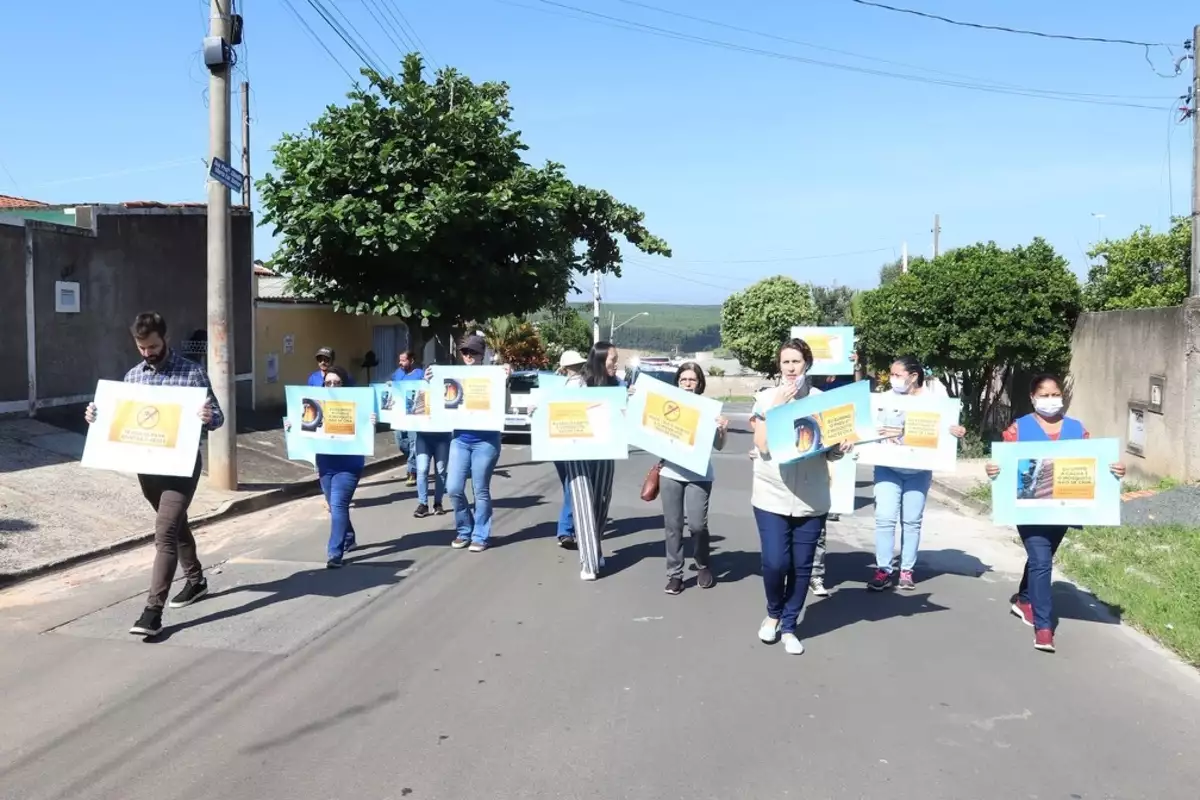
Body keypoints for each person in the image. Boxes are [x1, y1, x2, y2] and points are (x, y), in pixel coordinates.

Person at [84, 312, 224, 638]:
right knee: (176, 527)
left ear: (165, 338)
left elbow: (216, 416)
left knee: (164, 533)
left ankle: (152, 612)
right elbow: (119, 420)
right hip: (148, 470)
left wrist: (207, 415)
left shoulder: (192, 373)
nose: (148, 353)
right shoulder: (132, 377)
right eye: (142, 347)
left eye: (153, 346)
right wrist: (96, 416)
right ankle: (196, 580)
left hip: (182, 467)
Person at [985, 373, 1126, 653]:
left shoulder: (1077, 429)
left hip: (1063, 510)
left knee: (1043, 558)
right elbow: (1005, 465)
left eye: (1055, 394)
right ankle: (1044, 626)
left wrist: (1115, 470)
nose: (1051, 400)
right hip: (1029, 511)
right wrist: (994, 470)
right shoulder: (1019, 429)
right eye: (1044, 395)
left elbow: (1093, 464)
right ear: (1033, 398)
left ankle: (1024, 598)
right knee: (1041, 561)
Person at [749, 338, 852, 655]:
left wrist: (839, 447)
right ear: (779, 366)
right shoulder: (765, 398)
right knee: (775, 562)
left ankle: (790, 626)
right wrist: (777, 405)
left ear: (807, 363)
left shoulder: (822, 401)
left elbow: (830, 452)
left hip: (811, 496)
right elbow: (763, 445)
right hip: (772, 494)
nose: (791, 368)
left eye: (796, 361)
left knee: (802, 565)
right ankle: (773, 614)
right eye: (785, 362)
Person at [868, 355, 966, 592]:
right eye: (891, 374)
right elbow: (870, 426)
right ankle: (883, 569)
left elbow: (947, 431)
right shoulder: (882, 400)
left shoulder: (936, 402)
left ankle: (906, 570)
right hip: (887, 467)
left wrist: (957, 431)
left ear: (913, 376)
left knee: (911, 522)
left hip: (918, 470)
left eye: (897, 375)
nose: (893, 379)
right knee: (884, 519)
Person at [284, 366, 376, 568]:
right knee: (334, 505)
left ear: (344, 384)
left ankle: (335, 553)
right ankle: (349, 537)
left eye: (337, 382)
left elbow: (367, 427)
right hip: (325, 463)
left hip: (349, 464)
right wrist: (290, 426)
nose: (332, 386)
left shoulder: (357, 404)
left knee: (338, 505)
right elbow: (303, 430)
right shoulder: (315, 404)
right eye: (328, 383)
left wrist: (371, 421)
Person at [660, 362, 728, 594]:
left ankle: (703, 564)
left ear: (699, 383)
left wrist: (722, 429)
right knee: (673, 526)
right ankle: (675, 574)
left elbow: (719, 445)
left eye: (692, 380)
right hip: (670, 473)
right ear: (677, 381)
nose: (688, 384)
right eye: (683, 379)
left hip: (699, 473)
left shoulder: (708, 408)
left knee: (698, 525)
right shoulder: (667, 407)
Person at [439, 335, 506, 552]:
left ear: (482, 354)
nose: (468, 356)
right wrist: (430, 379)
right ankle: (464, 529)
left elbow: (506, 404)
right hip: (460, 439)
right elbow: (437, 401)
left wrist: (506, 381)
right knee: (454, 487)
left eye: (473, 352)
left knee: (480, 489)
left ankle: (480, 534)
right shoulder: (452, 376)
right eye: (465, 352)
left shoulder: (494, 376)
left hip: (486, 441)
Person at [561, 342, 622, 580]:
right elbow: (555, 407)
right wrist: (538, 408)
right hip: (577, 452)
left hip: (605, 451)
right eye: (612, 360)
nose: (616, 365)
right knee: (583, 503)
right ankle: (588, 563)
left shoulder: (617, 385)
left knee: (600, 503)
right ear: (600, 360)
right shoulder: (577, 383)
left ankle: (595, 547)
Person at [552, 349, 587, 548]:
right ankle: (567, 529)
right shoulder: (581, 386)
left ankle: (566, 529)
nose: (576, 369)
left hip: (569, 442)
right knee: (571, 485)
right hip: (564, 442)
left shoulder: (560, 386)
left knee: (570, 484)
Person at [410, 384, 449, 518]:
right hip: (423, 437)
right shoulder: (421, 390)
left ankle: (438, 503)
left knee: (441, 471)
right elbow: (411, 409)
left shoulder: (448, 392)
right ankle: (423, 504)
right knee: (422, 470)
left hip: (442, 437)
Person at [392, 350, 424, 488]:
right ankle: (413, 461)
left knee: (413, 443)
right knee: (400, 441)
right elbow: (391, 390)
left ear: (411, 361)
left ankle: (412, 471)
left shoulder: (419, 374)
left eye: (404, 360)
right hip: (399, 415)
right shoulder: (397, 374)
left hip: (415, 415)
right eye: (400, 360)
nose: (400, 363)